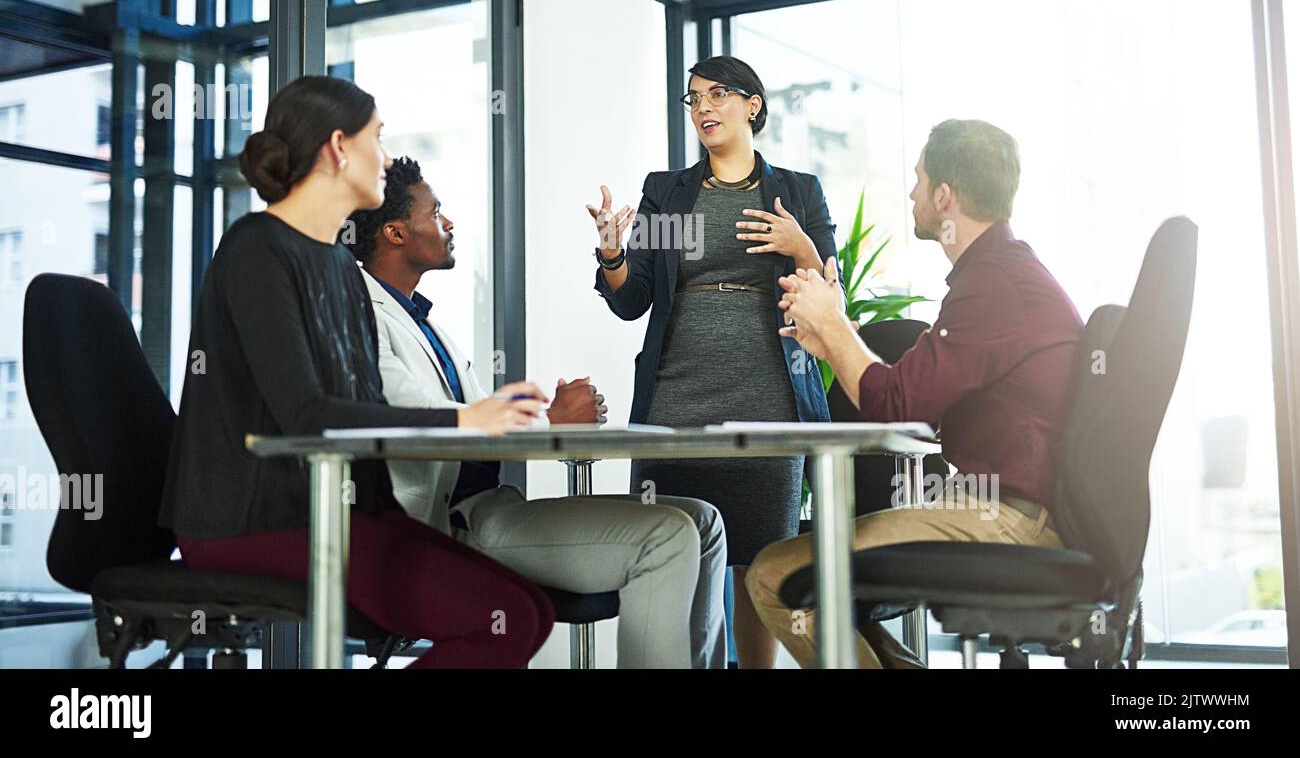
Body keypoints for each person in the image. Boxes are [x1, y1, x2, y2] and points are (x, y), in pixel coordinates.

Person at [158, 75, 555, 668]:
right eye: (378, 137)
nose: (386, 155)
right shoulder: (256, 249)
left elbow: (364, 407)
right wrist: (465, 419)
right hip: (248, 520)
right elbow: (309, 415)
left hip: (336, 511)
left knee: (531, 611)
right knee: (506, 622)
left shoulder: (342, 271)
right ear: (339, 148)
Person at [344, 156, 728, 669]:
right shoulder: (362, 315)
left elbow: (472, 418)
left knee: (703, 520)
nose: (450, 223)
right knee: (667, 534)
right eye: (436, 213)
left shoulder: (425, 322)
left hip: (496, 507)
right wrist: (549, 423)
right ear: (394, 232)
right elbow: (421, 419)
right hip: (452, 526)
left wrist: (551, 416)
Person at [746, 118, 1084, 668]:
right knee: (820, 585)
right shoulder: (1000, 276)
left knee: (775, 575)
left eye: (920, 180)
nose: (913, 193)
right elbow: (909, 392)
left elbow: (893, 405)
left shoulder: (994, 286)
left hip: (1006, 519)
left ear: (945, 196)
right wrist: (834, 339)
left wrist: (833, 328)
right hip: (1000, 508)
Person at [588, 55, 839, 668]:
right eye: (693, 96)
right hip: (675, 405)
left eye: (719, 93)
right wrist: (613, 253)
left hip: (768, 407)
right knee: (676, 560)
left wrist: (800, 246)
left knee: (761, 567)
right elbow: (632, 299)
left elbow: (832, 297)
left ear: (753, 104)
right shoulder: (667, 191)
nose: (702, 106)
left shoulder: (798, 192)